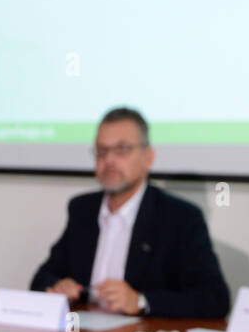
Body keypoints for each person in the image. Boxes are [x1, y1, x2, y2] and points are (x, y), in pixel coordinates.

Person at [30, 108, 230, 318]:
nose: (109, 161)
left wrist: (141, 301)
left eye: (122, 150)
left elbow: (215, 299)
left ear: (148, 157)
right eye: (101, 151)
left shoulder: (180, 217)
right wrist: (58, 286)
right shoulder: (82, 209)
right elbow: (41, 279)